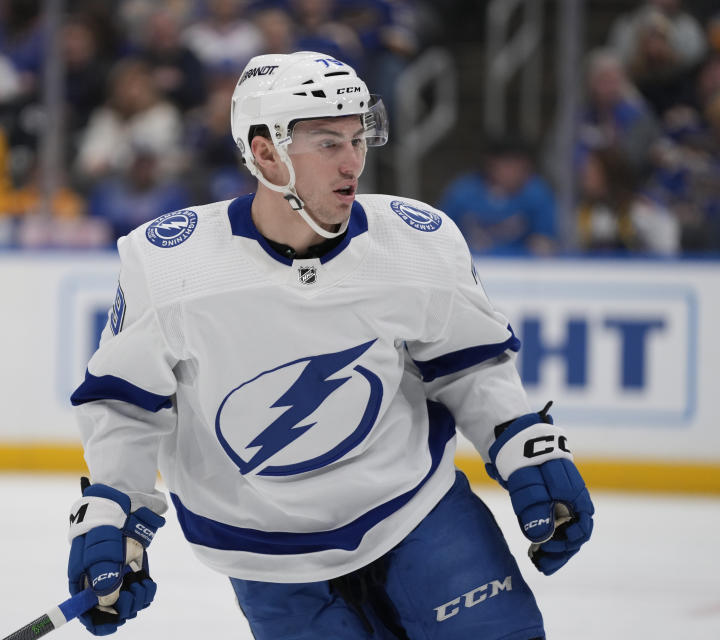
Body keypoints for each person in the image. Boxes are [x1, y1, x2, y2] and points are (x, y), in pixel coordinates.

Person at [64, 52, 595, 639]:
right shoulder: (170, 266)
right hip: (263, 550)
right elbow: (125, 403)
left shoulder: (417, 242)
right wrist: (114, 512)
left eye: (357, 138)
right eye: (327, 144)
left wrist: (524, 444)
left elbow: (467, 364)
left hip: (414, 510)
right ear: (265, 153)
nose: (353, 164)